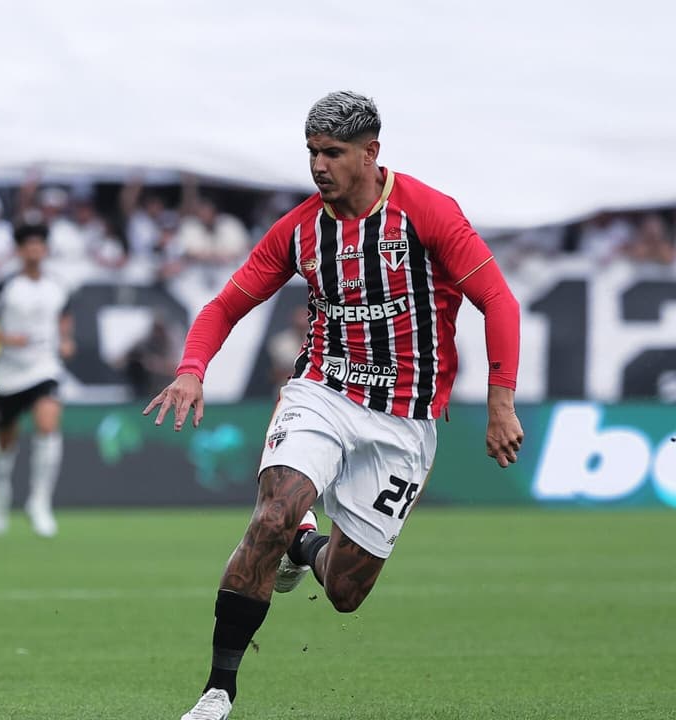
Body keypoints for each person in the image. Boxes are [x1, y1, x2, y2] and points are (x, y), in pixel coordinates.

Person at [144, 91, 525, 720]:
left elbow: (498, 300)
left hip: (404, 418)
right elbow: (223, 306)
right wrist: (191, 370)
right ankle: (217, 692)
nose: (319, 166)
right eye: (313, 152)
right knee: (271, 515)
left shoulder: (428, 213)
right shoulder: (300, 230)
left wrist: (500, 401)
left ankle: (304, 548)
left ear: (372, 153)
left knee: (346, 590)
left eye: (334, 153)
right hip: (324, 390)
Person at [0, 224, 74, 537]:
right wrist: (7, 338)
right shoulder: (6, 286)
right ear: (19, 251)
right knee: (5, 444)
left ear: (45, 249)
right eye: (28, 245)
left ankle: (40, 502)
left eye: (39, 245)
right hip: (8, 373)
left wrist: (66, 340)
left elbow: (65, 320)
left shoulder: (57, 286)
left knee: (48, 424)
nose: (34, 250)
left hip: (44, 368)